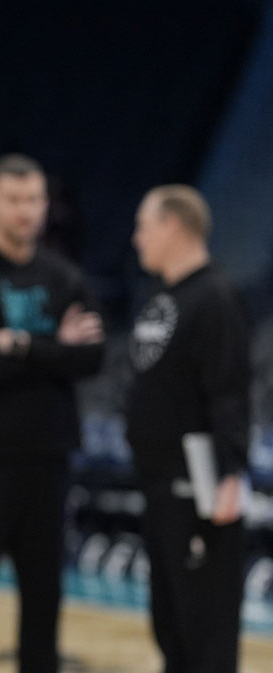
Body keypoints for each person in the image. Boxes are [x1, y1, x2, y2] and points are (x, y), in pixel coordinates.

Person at [0, 154, 104, 673]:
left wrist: (19, 344)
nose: (27, 210)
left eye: (35, 199)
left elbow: (92, 356)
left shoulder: (65, 276)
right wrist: (54, 347)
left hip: (49, 460)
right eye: (14, 199)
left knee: (44, 602)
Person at [126, 185, 250, 673]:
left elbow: (230, 391)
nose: (137, 239)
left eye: (145, 226)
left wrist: (230, 475)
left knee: (205, 634)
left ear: (174, 226)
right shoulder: (166, 295)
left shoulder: (216, 298)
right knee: (171, 626)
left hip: (200, 489)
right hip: (160, 486)